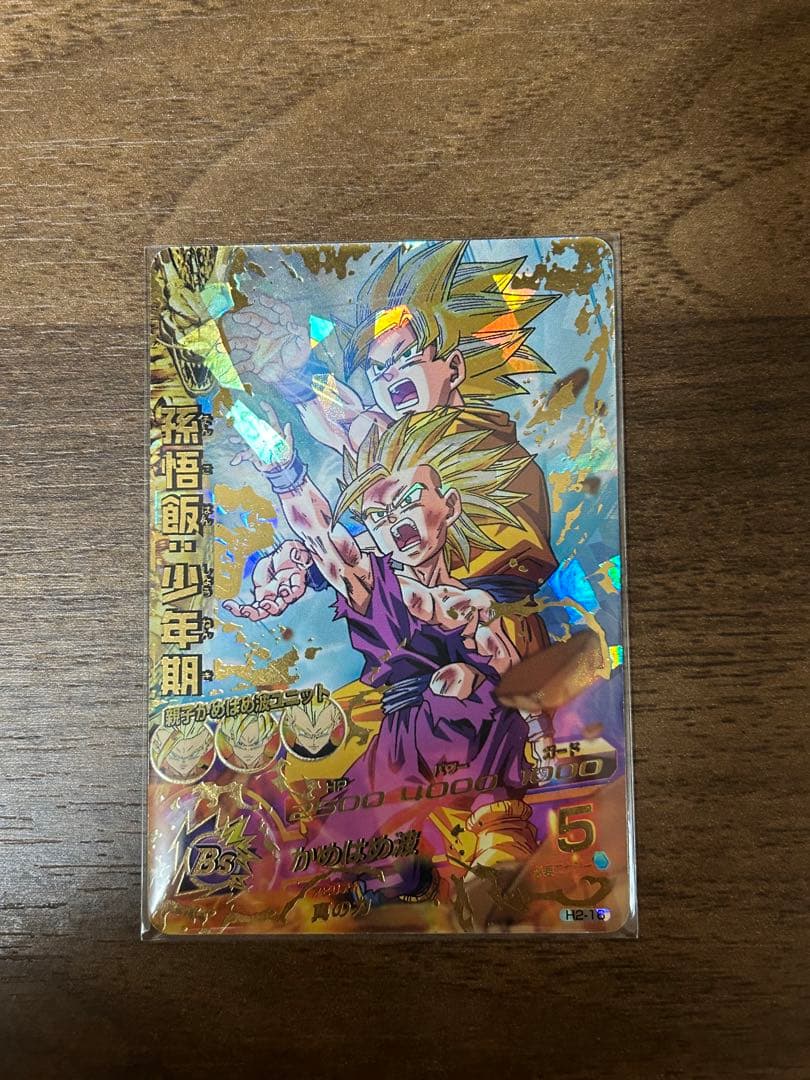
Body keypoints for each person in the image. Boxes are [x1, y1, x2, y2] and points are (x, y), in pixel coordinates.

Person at [234, 408, 547, 895]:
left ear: (450, 505)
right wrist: (286, 473)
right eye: (378, 517)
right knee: (334, 849)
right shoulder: (375, 585)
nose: (395, 523)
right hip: (400, 736)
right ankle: (394, 875)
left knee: (463, 685)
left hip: (470, 723)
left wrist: (539, 731)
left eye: (406, 503)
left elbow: (506, 664)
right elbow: (322, 536)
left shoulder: (472, 605)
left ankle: (501, 837)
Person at [225, 241, 559, 659]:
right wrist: (299, 374)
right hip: (422, 642)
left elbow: (355, 428)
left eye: (404, 358)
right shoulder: (394, 446)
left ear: (454, 368)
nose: (389, 375)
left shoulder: (488, 446)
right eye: (378, 369)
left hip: (498, 640)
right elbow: (347, 420)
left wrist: (324, 559)